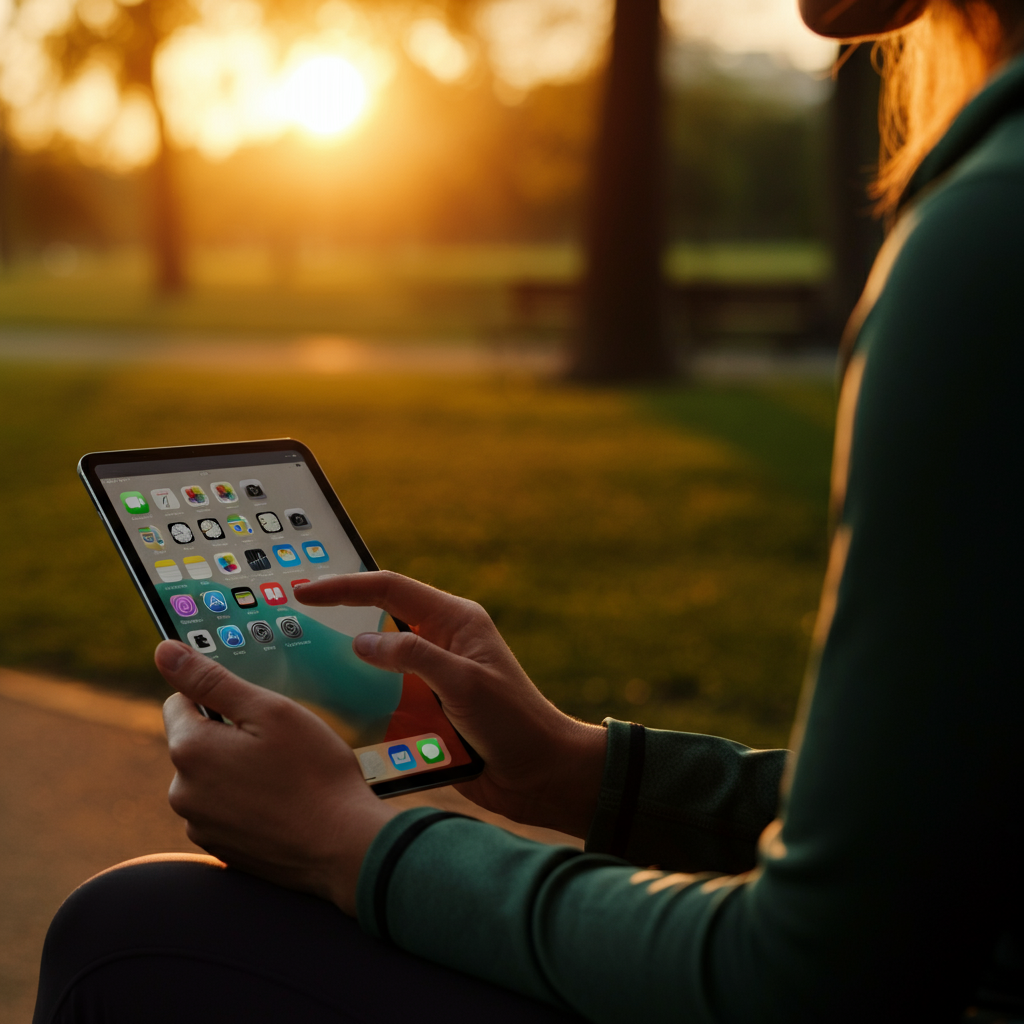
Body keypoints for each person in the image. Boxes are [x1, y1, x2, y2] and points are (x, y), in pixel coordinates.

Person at [33, 0, 1024, 1019]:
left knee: (134, 932)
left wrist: (353, 843)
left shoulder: (987, 232)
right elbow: (949, 830)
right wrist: (581, 773)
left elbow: (813, 980)